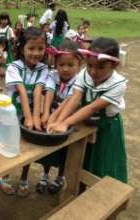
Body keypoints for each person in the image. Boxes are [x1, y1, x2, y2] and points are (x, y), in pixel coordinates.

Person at [47, 37, 128, 183]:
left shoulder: (119, 84)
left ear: (114, 64)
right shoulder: (85, 74)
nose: (93, 71)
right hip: (85, 123)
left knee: (103, 162)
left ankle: (104, 194)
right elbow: (75, 98)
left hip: (107, 128)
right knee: (81, 159)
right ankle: (79, 189)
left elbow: (92, 107)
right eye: (90, 65)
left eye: (100, 67)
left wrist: (65, 124)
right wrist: (58, 122)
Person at [0, 27, 49, 197]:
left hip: (31, 112)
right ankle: (4, 176)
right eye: (31, 48)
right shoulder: (14, 67)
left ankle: (23, 177)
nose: (36, 53)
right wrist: (28, 118)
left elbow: (37, 92)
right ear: (22, 49)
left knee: (28, 148)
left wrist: (35, 119)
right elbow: (21, 90)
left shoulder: (43, 69)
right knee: (11, 145)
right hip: (13, 115)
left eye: (40, 48)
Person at [36, 40, 83, 194]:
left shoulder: (79, 81)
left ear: (79, 64)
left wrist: (54, 119)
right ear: (55, 64)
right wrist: (46, 113)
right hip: (51, 118)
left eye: (71, 65)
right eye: (61, 64)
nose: (65, 69)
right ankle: (45, 174)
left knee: (65, 151)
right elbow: (49, 92)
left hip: (67, 120)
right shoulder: (52, 76)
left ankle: (60, 177)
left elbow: (69, 102)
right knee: (49, 151)